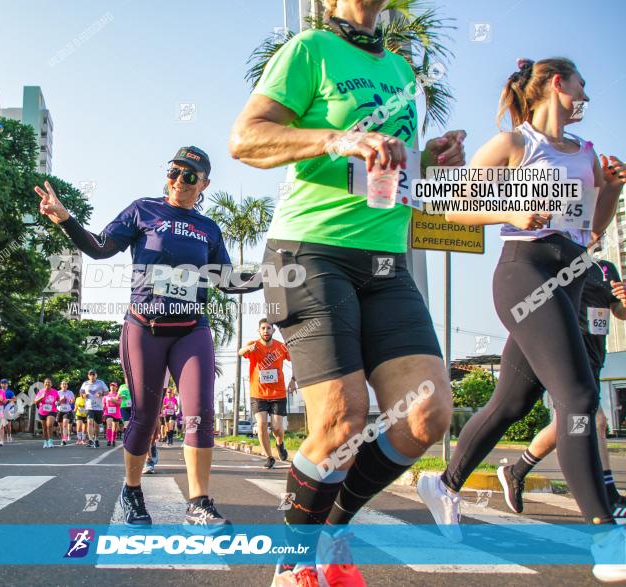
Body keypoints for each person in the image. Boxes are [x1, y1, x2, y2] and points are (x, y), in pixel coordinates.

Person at [229, 0, 464, 582]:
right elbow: (246, 138)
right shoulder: (309, 51)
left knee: (427, 414)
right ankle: (293, 562)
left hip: (386, 260)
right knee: (341, 417)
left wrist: (431, 160)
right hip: (309, 252)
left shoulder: (404, 73)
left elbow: (395, 173)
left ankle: (332, 531)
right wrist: (337, 139)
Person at [413, 57, 626, 583]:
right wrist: (506, 212)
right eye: (581, 83)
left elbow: (591, 232)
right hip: (525, 274)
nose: (586, 93)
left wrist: (613, 189)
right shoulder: (515, 145)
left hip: (571, 276)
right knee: (578, 397)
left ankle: (445, 484)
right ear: (558, 84)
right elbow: (447, 204)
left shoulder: (587, 154)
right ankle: (604, 533)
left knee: (513, 400)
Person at [35, 145, 258, 528]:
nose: (179, 181)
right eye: (173, 171)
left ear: (204, 183)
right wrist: (65, 219)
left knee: (200, 415)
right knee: (144, 418)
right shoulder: (144, 210)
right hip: (144, 328)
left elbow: (226, 279)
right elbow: (101, 248)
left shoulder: (208, 228)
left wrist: (276, 272)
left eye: (189, 176)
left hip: (191, 329)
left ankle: (199, 501)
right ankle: (133, 490)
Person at [498, 258, 626, 515]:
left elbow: (619, 312)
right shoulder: (556, 262)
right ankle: (609, 496)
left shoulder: (605, 268)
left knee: (565, 424)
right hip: (565, 353)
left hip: (594, 355)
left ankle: (516, 471)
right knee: (595, 421)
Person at [239, 318, 294, 469]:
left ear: (273, 330)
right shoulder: (253, 345)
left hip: (278, 393)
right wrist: (247, 349)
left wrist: (293, 380)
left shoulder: (281, 347)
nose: (265, 331)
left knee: (277, 428)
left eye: (268, 328)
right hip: (258, 394)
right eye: (263, 328)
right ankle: (269, 457)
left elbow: (295, 359)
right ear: (259, 331)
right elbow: (240, 352)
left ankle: (279, 443)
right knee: (262, 424)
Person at [80, 370, 108, 449]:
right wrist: (83, 395)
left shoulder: (101, 383)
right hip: (89, 407)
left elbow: (107, 392)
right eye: (90, 375)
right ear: (88, 376)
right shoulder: (85, 383)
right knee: (89, 422)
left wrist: (101, 394)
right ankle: (90, 439)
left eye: (93, 375)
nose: (92, 376)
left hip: (99, 407)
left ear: (96, 375)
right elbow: (81, 392)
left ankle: (96, 439)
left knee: (97, 425)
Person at [35, 378, 59, 448]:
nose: (47, 384)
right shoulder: (41, 392)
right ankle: (46, 441)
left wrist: (58, 402)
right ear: (44, 384)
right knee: (44, 427)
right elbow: (35, 402)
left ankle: (50, 441)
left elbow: (58, 399)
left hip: (52, 410)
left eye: (49, 382)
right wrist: (41, 397)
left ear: (51, 384)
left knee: (49, 425)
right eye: (46, 382)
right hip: (42, 411)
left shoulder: (55, 391)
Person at [104, 382, 124, 447]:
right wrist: (103, 412)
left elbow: (120, 404)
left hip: (116, 413)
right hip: (108, 413)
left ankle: (113, 440)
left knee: (115, 427)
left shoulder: (118, 395)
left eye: (114, 386)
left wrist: (114, 401)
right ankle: (109, 440)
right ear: (109, 387)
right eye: (111, 386)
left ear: (116, 387)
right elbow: (103, 405)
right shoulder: (106, 395)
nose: (112, 387)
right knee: (109, 425)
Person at [57, 380, 75, 446]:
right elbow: (56, 403)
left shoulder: (70, 392)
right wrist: (60, 401)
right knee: (61, 427)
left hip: (67, 411)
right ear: (61, 386)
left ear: (67, 386)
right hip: (60, 411)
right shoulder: (58, 392)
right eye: (63, 384)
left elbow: (72, 401)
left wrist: (71, 401)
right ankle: (63, 438)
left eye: (66, 384)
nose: (64, 385)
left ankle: (64, 440)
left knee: (65, 425)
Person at [1, 379, 16, 443]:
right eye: (3, 383)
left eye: (5, 383)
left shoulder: (10, 392)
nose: (4, 385)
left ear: (7, 384)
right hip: (0, 409)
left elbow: (15, 399)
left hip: (8, 409)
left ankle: (9, 436)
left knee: (8, 425)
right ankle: (1, 438)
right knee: (1, 424)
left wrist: (8, 400)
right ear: (1, 384)